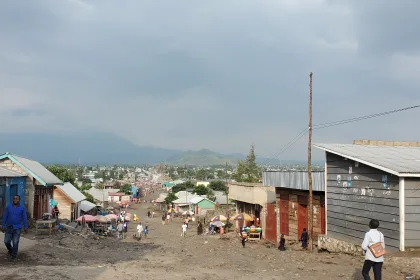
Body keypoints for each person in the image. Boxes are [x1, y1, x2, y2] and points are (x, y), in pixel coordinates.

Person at [1, 195, 28, 261]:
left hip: (17, 228)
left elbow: (24, 218)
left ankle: (14, 256)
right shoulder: (8, 207)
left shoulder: (22, 208)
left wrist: (26, 227)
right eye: (14, 199)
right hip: (9, 227)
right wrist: (3, 226)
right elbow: (5, 217)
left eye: (17, 199)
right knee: (6, 241)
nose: (15, 200)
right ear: (13, 199)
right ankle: (10, 250)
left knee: (15, 242)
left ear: (19, 200)